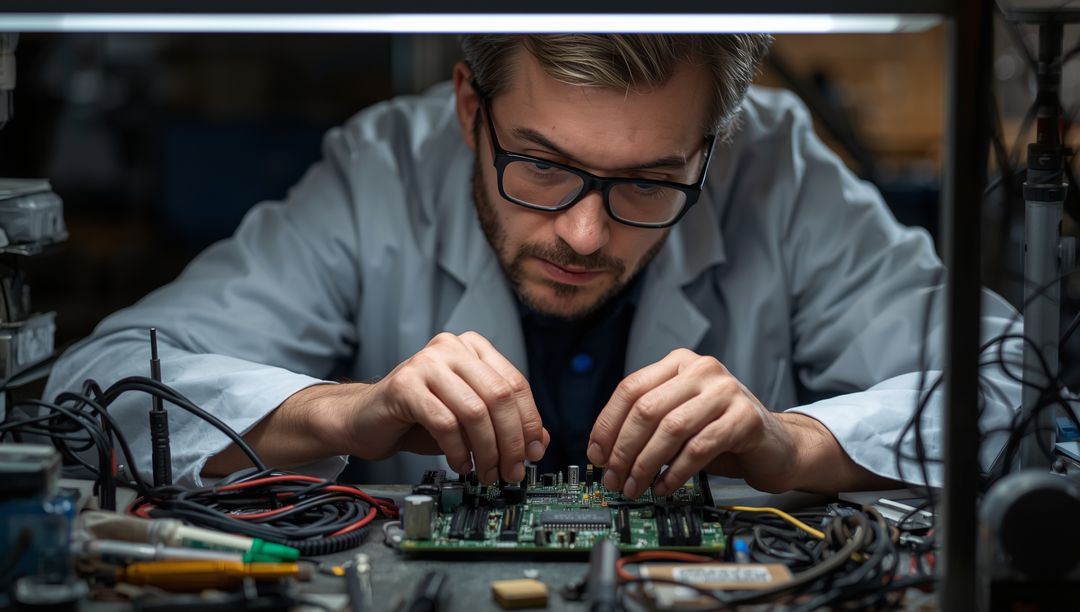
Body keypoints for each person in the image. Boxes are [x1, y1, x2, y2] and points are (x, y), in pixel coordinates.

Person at [45, 34, 1021, 496]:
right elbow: (90, 393)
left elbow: (1019, 385)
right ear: (470, 110)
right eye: (544, 166)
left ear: (716, 150)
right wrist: (341, 410)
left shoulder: (781, 168)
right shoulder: (383, 167)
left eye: (648, 181)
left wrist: (794, 443)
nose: (586, 236)